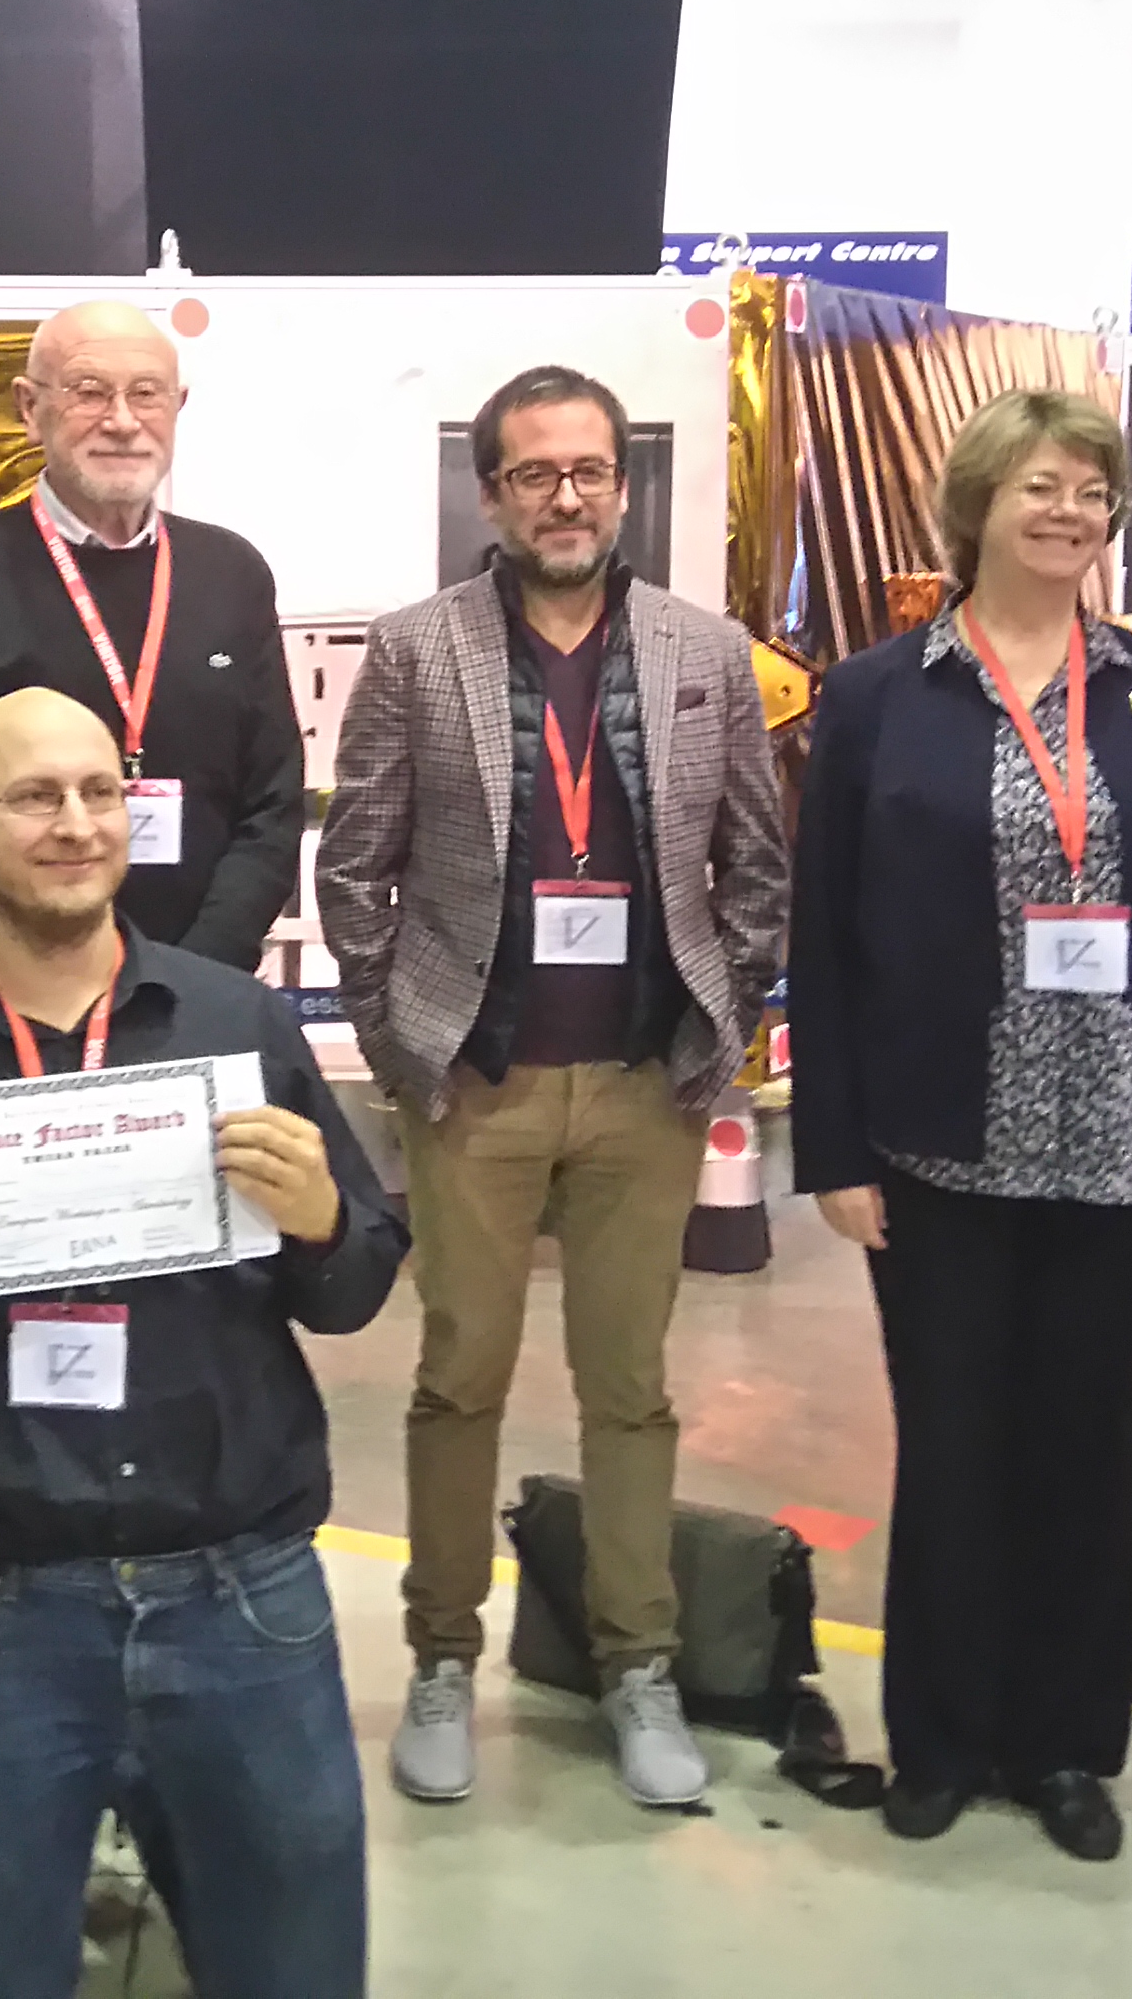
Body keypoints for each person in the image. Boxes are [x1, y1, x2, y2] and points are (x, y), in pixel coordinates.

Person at [0, 686, 403, 1999]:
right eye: (33, 797)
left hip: (243, 1596)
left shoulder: (240, 1031)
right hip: (0, 1608)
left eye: (98, 792)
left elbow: (352, 1292)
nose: (75, 823)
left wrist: (320, 1220)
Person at [786, 389, 1132, 1861]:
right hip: (941, 1144)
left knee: (1090, 1452)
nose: (1068, 514)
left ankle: (1066, 1747)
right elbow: (825, 934)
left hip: (1123, 1143)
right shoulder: (880, 694)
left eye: (1090, 491)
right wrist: (835, 1147)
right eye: (1039, 488)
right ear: (977, 507)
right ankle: (939, 1739)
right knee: (951, 1450)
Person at [317, 364, 791, 1810]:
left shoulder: (705, 650)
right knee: (456, 1377)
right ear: (492, 494)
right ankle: (443, 1655)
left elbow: (758, 864)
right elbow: (355, 867)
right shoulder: (417, 650)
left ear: (622, 486)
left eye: (589, 470)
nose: (566, 496)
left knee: (630, 1390)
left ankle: (637, 1663)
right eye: (536, 474)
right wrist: (402, 1043)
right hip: (479, 1085)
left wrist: (720, 1024)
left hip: (646, 1088)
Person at [0, 299, 305, 975]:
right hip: (22, 986)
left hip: (206, 986)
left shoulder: (232, 572)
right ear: (30, 408)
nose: (122, 421)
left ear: (177, 408)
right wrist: (52, 972)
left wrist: (201, 974)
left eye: (146, 394)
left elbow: (272, 802)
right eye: (89, 392)